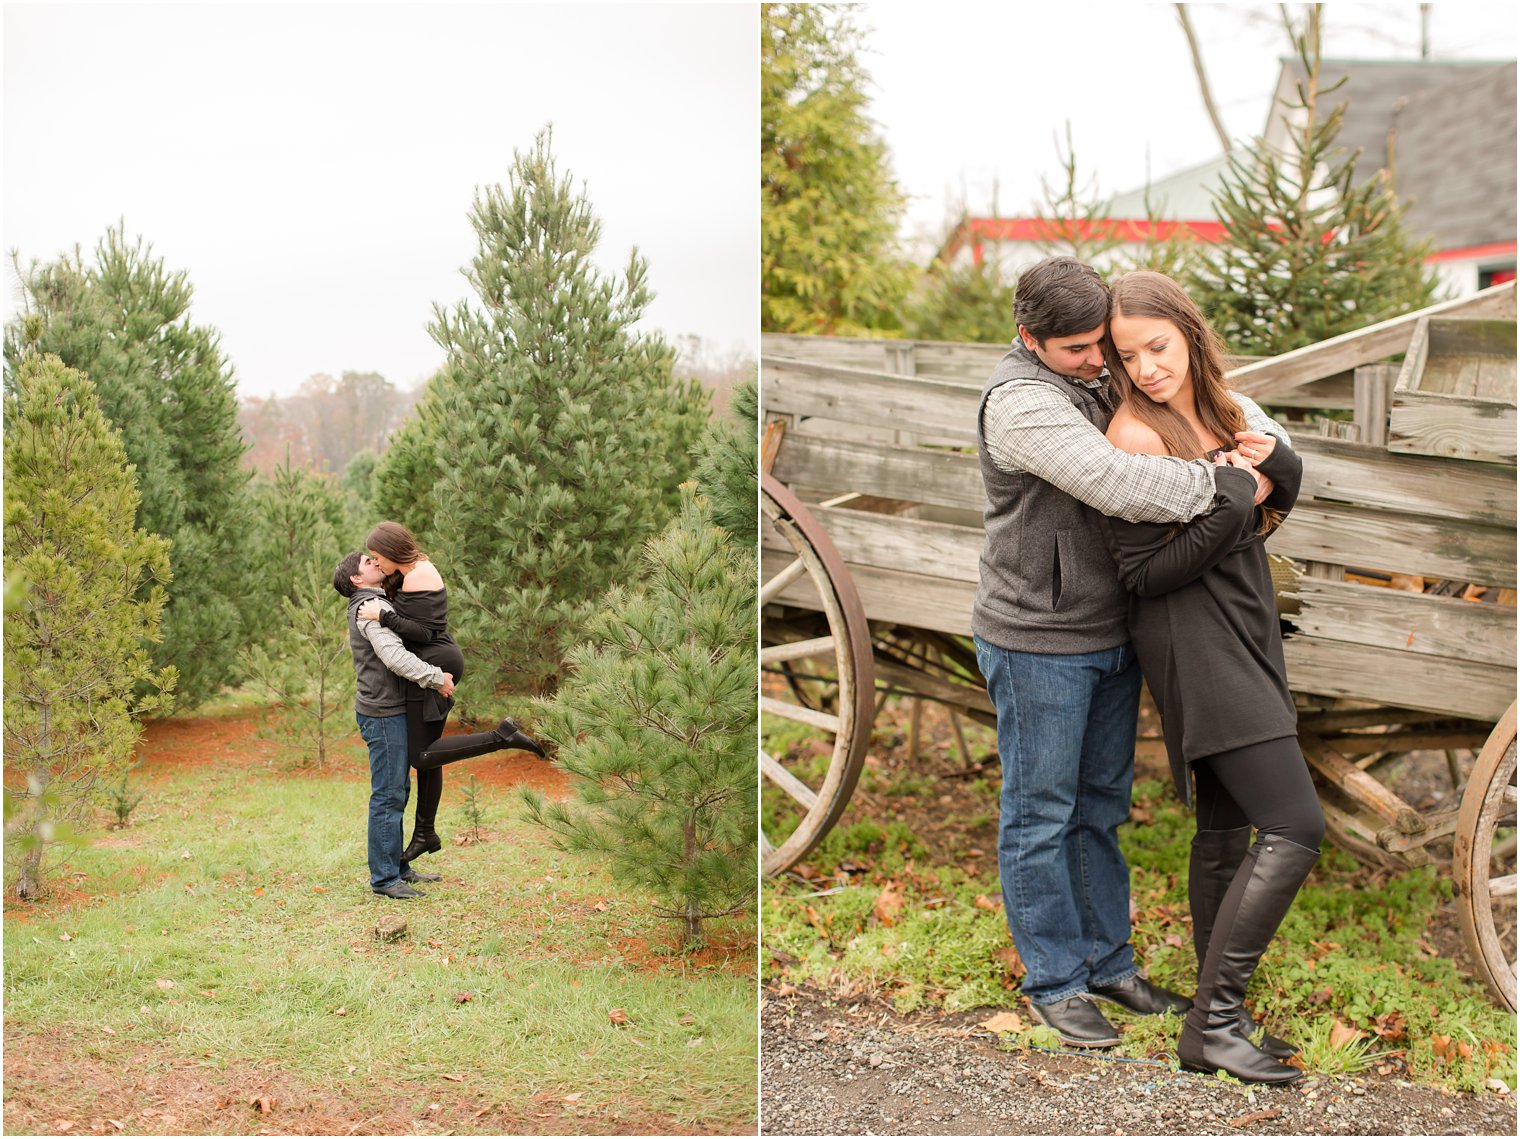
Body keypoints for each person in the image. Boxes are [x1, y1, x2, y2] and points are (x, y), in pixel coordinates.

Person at [971, 256, 1289, 1049]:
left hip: (1115, 629)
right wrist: (1231, 484)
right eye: (1078, 349)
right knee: (1041, 811)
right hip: (1038, 635)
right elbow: (1118, 482)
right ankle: (1054, 979)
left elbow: (1219, 398)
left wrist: (1269, 443)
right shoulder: (1019, 403)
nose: (1098, 360)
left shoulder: (1107, 373)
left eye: (1101, 345)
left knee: (1101, 806)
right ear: (1029, 338)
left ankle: (1109, 962)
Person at [1101, 270, 1323, 1084]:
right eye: (1129, 356)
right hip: (1194, 640)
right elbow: (1142, 570)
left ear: (1188, 334)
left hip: (1244, 623)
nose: (1147, 368)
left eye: (1156, 347)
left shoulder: (1224, 410)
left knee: (1228, 829)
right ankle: (1215, 1022)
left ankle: (1213, 1009)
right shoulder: (1136, 435)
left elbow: (1258, 514)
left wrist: (1274, 471)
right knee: (1297, 824)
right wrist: (1235, 492)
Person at [357, 521, 544, 867]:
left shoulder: (417, 575)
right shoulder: (410, 571)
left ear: (393, 551)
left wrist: (383, 615)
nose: (376, 563)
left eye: (377, 556)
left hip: (435, 666)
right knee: (432, 754)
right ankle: (425, 832)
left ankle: (500, 737)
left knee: (421, 756)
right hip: (434, 664)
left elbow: (425, 633)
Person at [333, 549, 456, 900]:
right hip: (382, 713)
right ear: (357, 579)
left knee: (397, 790)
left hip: (390, 710)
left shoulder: (378, 599)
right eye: (366, 562)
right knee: (388, 795)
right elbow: (394, 656)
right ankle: (385, 879)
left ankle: (398, 867)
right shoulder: (367, 609)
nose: (375, 562)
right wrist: (435, 677)